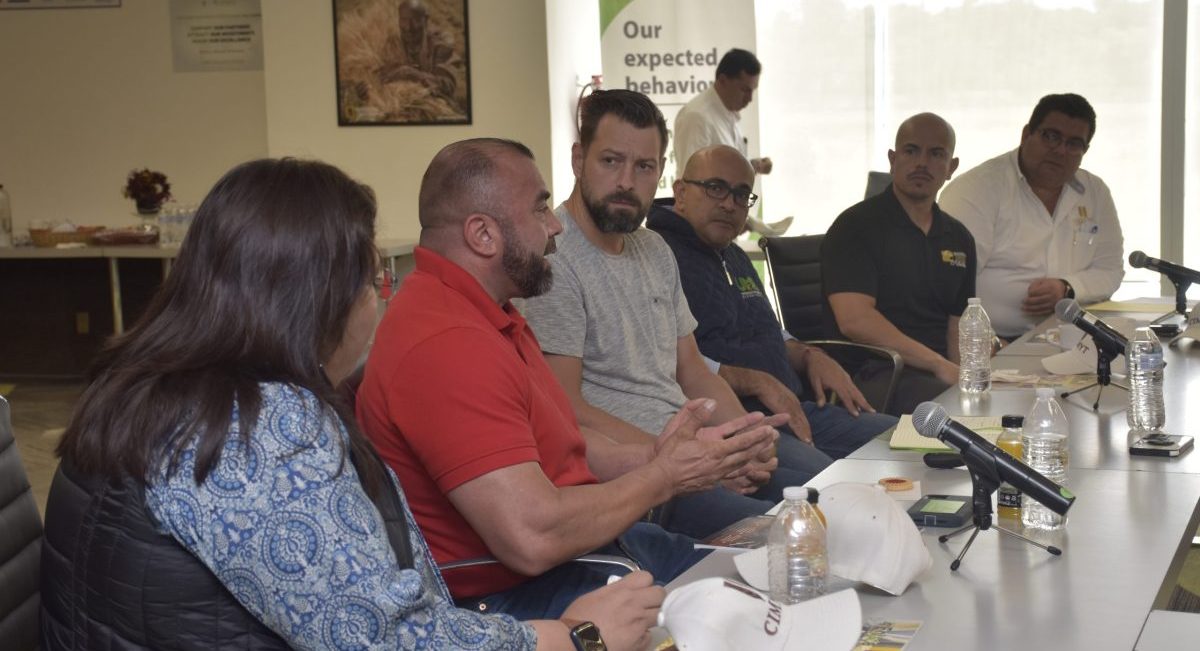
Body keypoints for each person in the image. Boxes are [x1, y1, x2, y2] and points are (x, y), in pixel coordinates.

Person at [40, 158, 664, 651]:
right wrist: (577, 636)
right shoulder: (257, 431)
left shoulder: (154, 387)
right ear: (314, 301)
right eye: (371, 281)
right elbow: (383, 639)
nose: (380, 301)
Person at [357, 138, 777, 621]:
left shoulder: (488, 312)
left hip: (585, 547)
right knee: (755, 609)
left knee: (773, 572)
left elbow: (566, 442)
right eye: (539, 210)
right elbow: (531, 538)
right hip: (525, 591)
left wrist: (661, 456)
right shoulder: (447, 341)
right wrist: (663, 477)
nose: (555, 225)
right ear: (482, 235)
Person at [520, 89, 830, 541]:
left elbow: (693, 373)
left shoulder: (655, 249)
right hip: (636, 474)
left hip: (694, 446)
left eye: (644, 167)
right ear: (578, 159)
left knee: (827, 494)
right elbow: (566, 407)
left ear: (661, 173)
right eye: (611, 161)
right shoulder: (554, 257)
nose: (627, 181)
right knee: (782, 538)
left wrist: (741, 439)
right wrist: (684, 462)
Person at [648, 145, 898, 457]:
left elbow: (769, 329)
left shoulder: (734, 255)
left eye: (741, 194)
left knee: (908, 441)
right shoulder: (656, 257)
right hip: (729, 422)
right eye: (715, 188)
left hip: (795, 406)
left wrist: (809, 354)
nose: (729, 204)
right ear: (681, 192)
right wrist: (754, 381)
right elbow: (668, 360)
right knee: (828, 483)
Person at [821, 113, 976, 415]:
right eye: (911, 151)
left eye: (936, 154)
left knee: (999, 405)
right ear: (893, 160)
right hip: (875, 373)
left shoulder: (959, 237)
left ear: (951, 167)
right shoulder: (855, 227)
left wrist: (963, 376)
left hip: (934, 374)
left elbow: (956, 324)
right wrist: (938, 365)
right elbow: (855, 321)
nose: (922, 163)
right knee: (955, 413)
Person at [939, 93, 1124, 339]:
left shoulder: (1095, 192)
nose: (1060, 151)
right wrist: (986, 345)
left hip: (1072, 339)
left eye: (1073, 144)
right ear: (1026, 134)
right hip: (993, 343)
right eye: (1051, 136)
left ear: (1085, 150)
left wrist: (1067, 288)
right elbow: (949, 286)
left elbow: (1110, 270)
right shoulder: (977, 190)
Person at [672, 48, 789, 236]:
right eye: (744, 90)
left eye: (753, 91)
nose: (750, 99)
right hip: (700, 234)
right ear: (723, 80)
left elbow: (724, 168)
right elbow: (692, 180)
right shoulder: (697, 117)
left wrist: (754, 166)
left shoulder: (728, 114)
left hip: (722, 225)